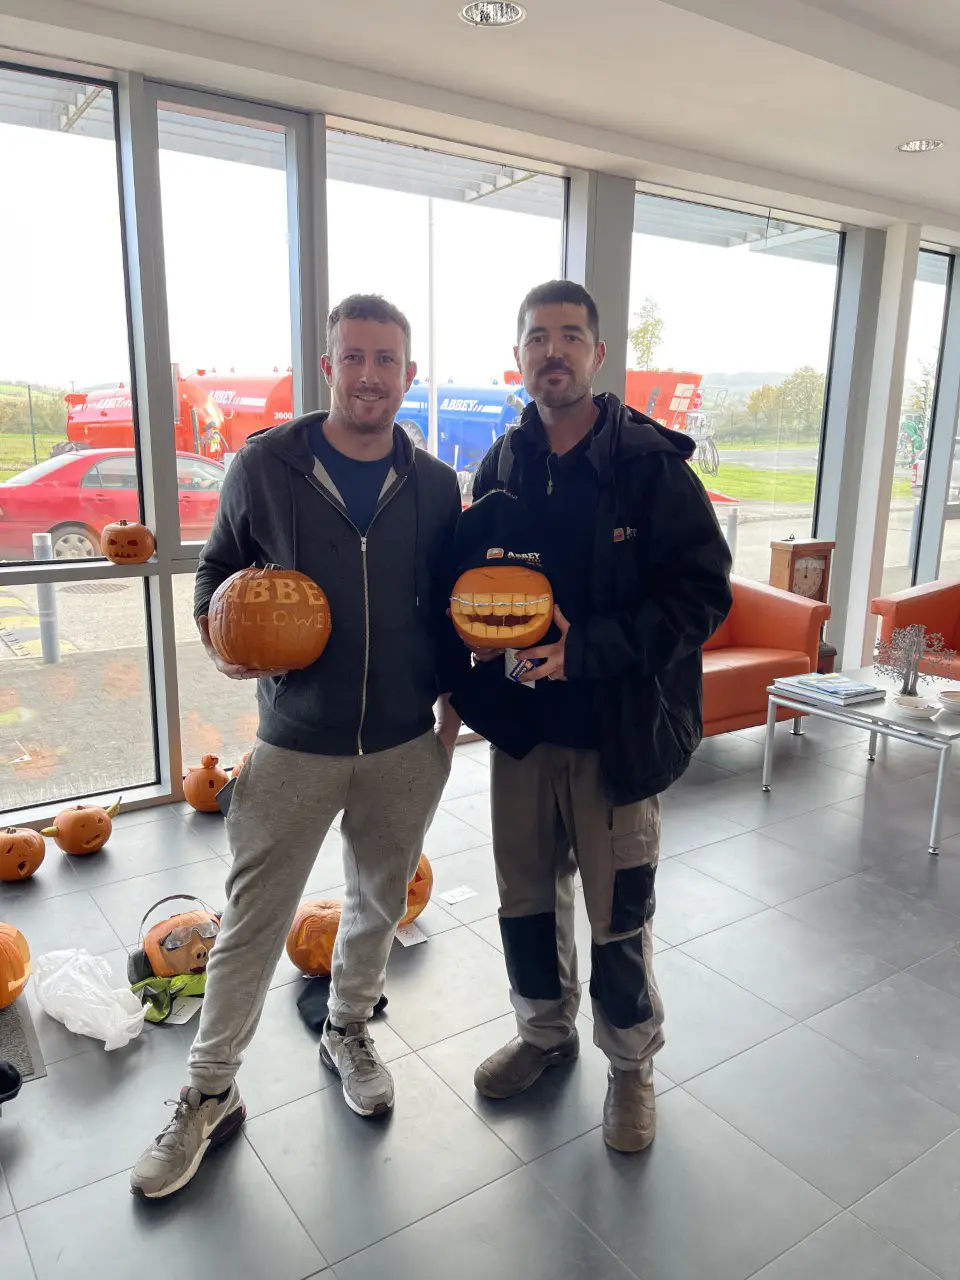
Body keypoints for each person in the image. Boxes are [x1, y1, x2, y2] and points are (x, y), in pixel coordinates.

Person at [132, 294, 465, 1199]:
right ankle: (209, 1091)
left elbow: (451, 602)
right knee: (252, 919)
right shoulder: (267, 464)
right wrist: (219, 632)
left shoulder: (435, 485)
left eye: (387, 359)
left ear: (407, 372)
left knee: (378, 900)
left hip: (405, 738)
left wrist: (452, 710)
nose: (369, 375)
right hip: (295, 740)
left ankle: (349, 1027)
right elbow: (215, 569)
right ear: (328, 366)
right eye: (353, 357)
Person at [450, 280, 732, 1153]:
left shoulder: (650, 466)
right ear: (520, 354)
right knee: (525, 900)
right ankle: (543, 1033)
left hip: (619, 731)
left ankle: (631, 1066)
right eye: (538, 337)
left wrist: (590, 648)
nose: (554, 352)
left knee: (620, 913)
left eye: (571, 336)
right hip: (524, 732)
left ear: (599, 355)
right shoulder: (502, 462)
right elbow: (478, 583)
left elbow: (703, 596)